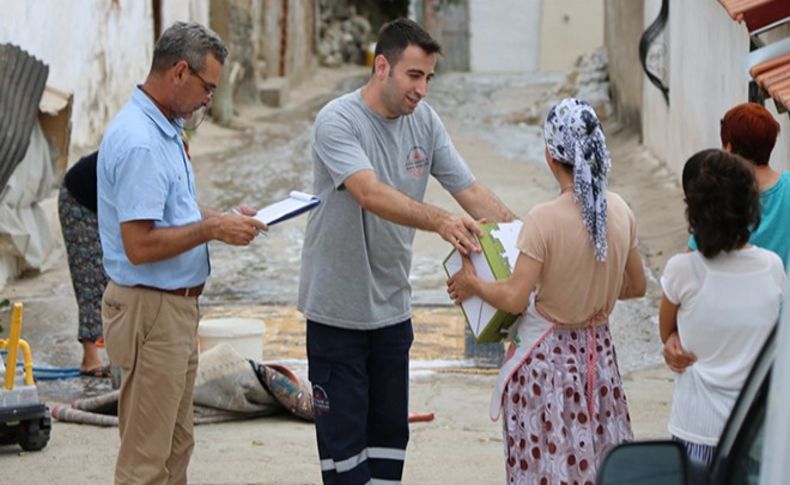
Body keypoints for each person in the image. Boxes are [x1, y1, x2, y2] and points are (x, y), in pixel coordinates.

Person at [298, 18, 515, 484]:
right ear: (382, 66)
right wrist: (439, 220)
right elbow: (370, 193)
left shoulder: (425, 121)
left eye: (429, 78)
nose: (422, 90)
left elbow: (470, 190)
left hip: (393, 313)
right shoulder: (337, 121)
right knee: (346, 461)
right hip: (338, 314)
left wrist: (528, 240)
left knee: (389, 449)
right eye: (414, 76)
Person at [97, 22, 267, 485]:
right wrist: (213, 227)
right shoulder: (141, 142)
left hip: (172, 309)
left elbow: (173, 212)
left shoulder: (164, 129)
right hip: (151, 309)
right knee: (146, 459)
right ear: (178, 72)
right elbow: (140, 244)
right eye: (207, 88)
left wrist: (223, 217)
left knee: (175, 447)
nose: (209, 100)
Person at [446, 98, 646, 483]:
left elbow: (514, 299)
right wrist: (593, 288)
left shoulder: (544, 219)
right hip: (599, 359)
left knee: (547, 466)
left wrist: (472, 283)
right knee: (597, 458)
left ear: (550, 156)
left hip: (547, 366)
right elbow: (636, 286)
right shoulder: (620, 210)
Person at [659, 149, 784, 466]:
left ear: (695, 212)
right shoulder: (772, 267)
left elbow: (667, 332)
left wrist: (672, 343)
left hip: (695, 430)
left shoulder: (682, 270)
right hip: (753, 432)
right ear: (749, 209)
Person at [665, 102, 789, 375]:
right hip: (777, 332)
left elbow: (691, 264)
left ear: (729, 147)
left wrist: (672, 335)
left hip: (722, 331)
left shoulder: (722, 197)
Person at [58, 150, 110, 377]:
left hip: (101, 204)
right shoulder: (141, 150)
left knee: (114, 275)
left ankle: (117, 349)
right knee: (91, 274)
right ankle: (90, 359)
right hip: (79, 200)